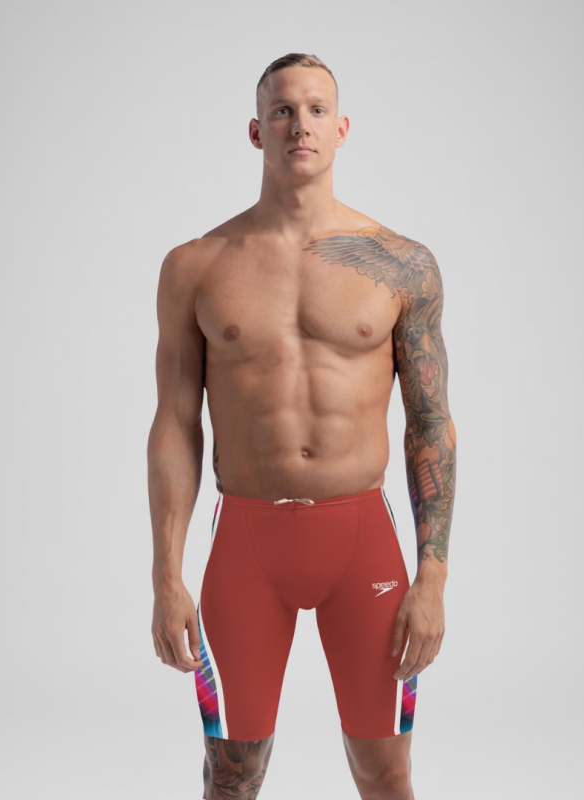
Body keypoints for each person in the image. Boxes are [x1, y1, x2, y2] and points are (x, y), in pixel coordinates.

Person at [147, 52, 457, 800]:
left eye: (317, 110)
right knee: (232, 775)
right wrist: (166, 575)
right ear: (257, 130)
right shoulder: (195, 265)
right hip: (247, 544)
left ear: (342, 129)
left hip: (363, 541)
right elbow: (176, 424)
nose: (300, 125)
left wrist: (433, 577)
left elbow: (430, 425)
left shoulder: (400, 264)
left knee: (385, 775)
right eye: (283, 110)